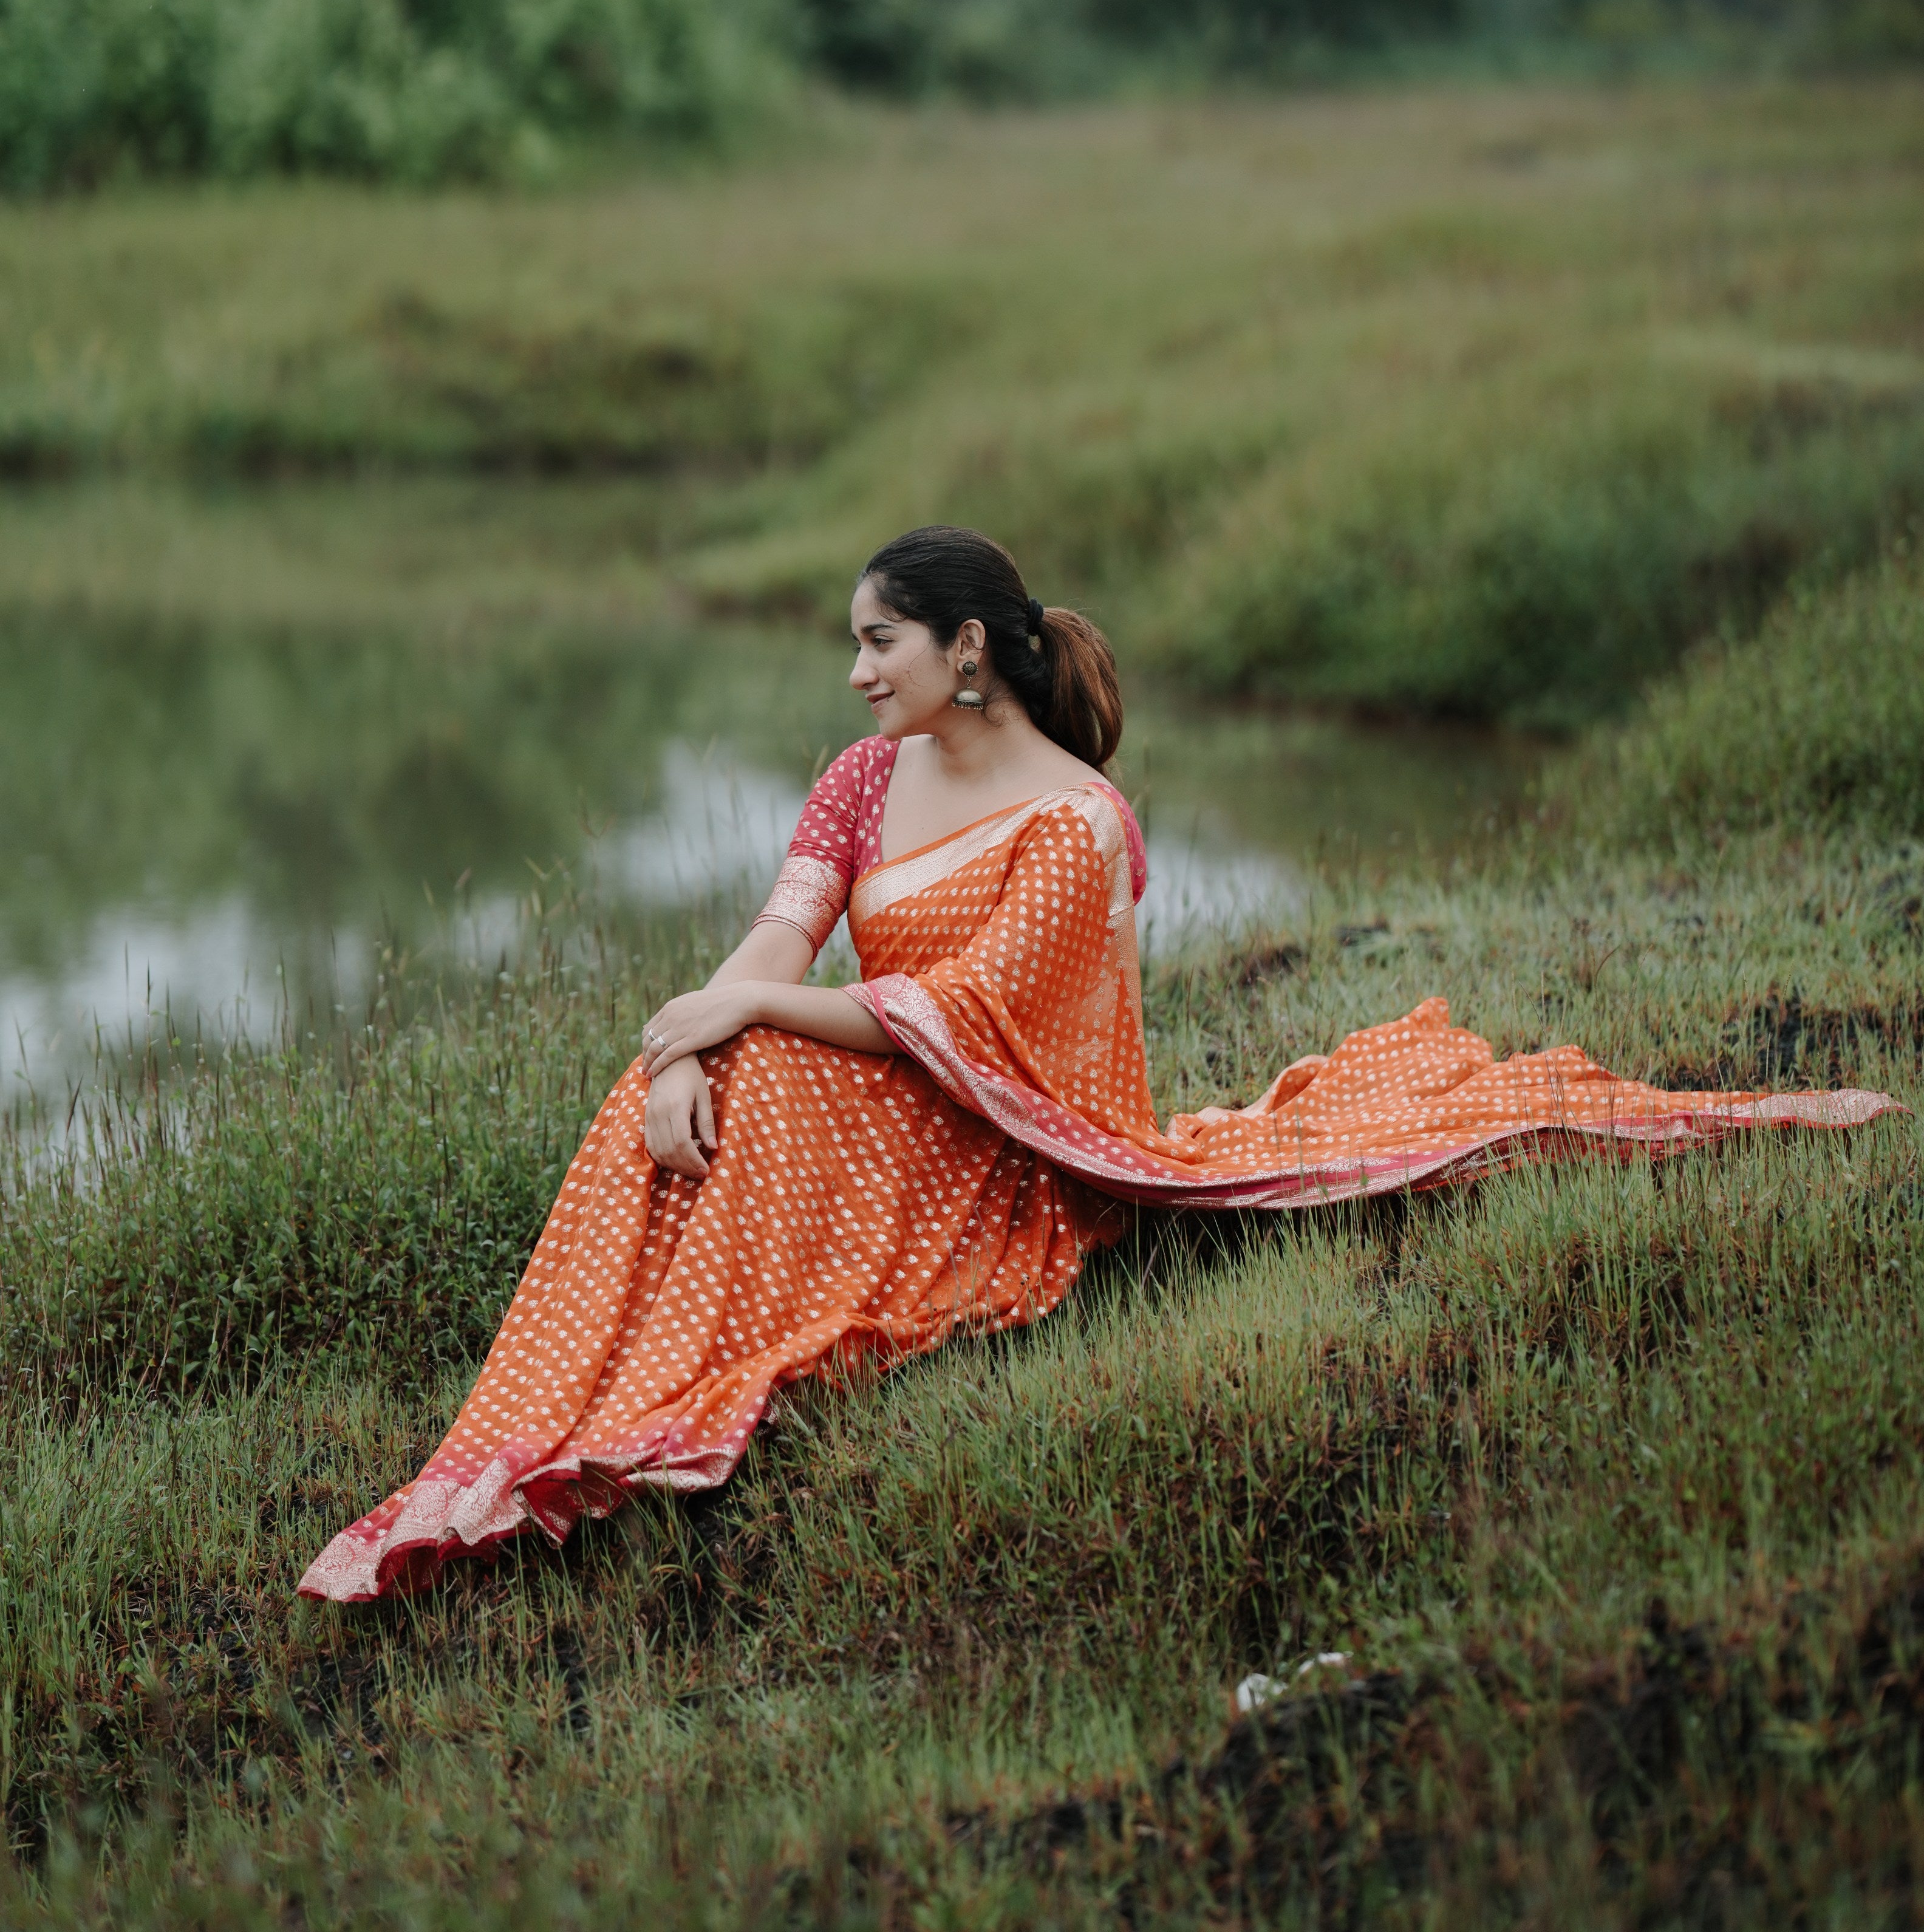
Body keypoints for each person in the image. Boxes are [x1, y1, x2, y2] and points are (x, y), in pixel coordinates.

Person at [299, 525, 1894, 1603]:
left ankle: (650, 1408)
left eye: (878, 643)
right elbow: (773, 951)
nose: (857, 674)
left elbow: (966, 1022)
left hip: (1010, 1143)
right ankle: (551, 1424)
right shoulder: (862, 780)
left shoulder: (1076, 822)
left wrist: (736, 1024)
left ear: (966, 648)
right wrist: (679, 1050)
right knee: (702, 1092)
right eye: (852, 646)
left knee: (768, 1071)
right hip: (884, 1094)